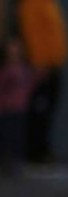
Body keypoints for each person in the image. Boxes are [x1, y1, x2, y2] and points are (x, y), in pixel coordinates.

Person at [16, 0, 68, 164]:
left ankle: (43, 151)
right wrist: (39, 62)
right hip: (43, 66)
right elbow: (33, 33)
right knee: (40, 110)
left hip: (53, 63)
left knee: (48, 109)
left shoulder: (46, 3)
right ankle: (36, 154)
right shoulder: (32, 4)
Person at [0, 35, 35, 177]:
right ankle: (8, 162)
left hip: (20, 108)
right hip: (7, 108)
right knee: (8, 135)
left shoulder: (23, 69)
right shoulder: (6, 71)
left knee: (18, 135)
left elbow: (29, 84)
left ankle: (16, 161)